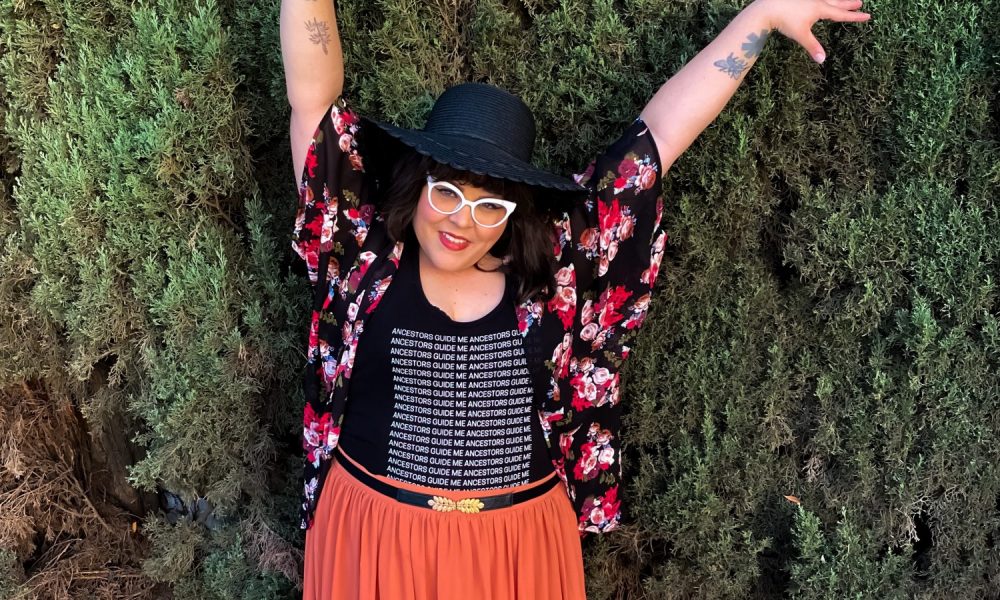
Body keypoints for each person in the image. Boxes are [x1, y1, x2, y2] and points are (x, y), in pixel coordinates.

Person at [280, 0, 870, 598]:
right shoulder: (359, 247)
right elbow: (314, 101)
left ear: (513, 213)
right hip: (374, 539)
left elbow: (661, 136)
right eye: (447, 194)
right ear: (417, 182)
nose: (462, 221)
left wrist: (760, 18)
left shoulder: (559, 270)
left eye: (489, 206)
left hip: (518, 550)